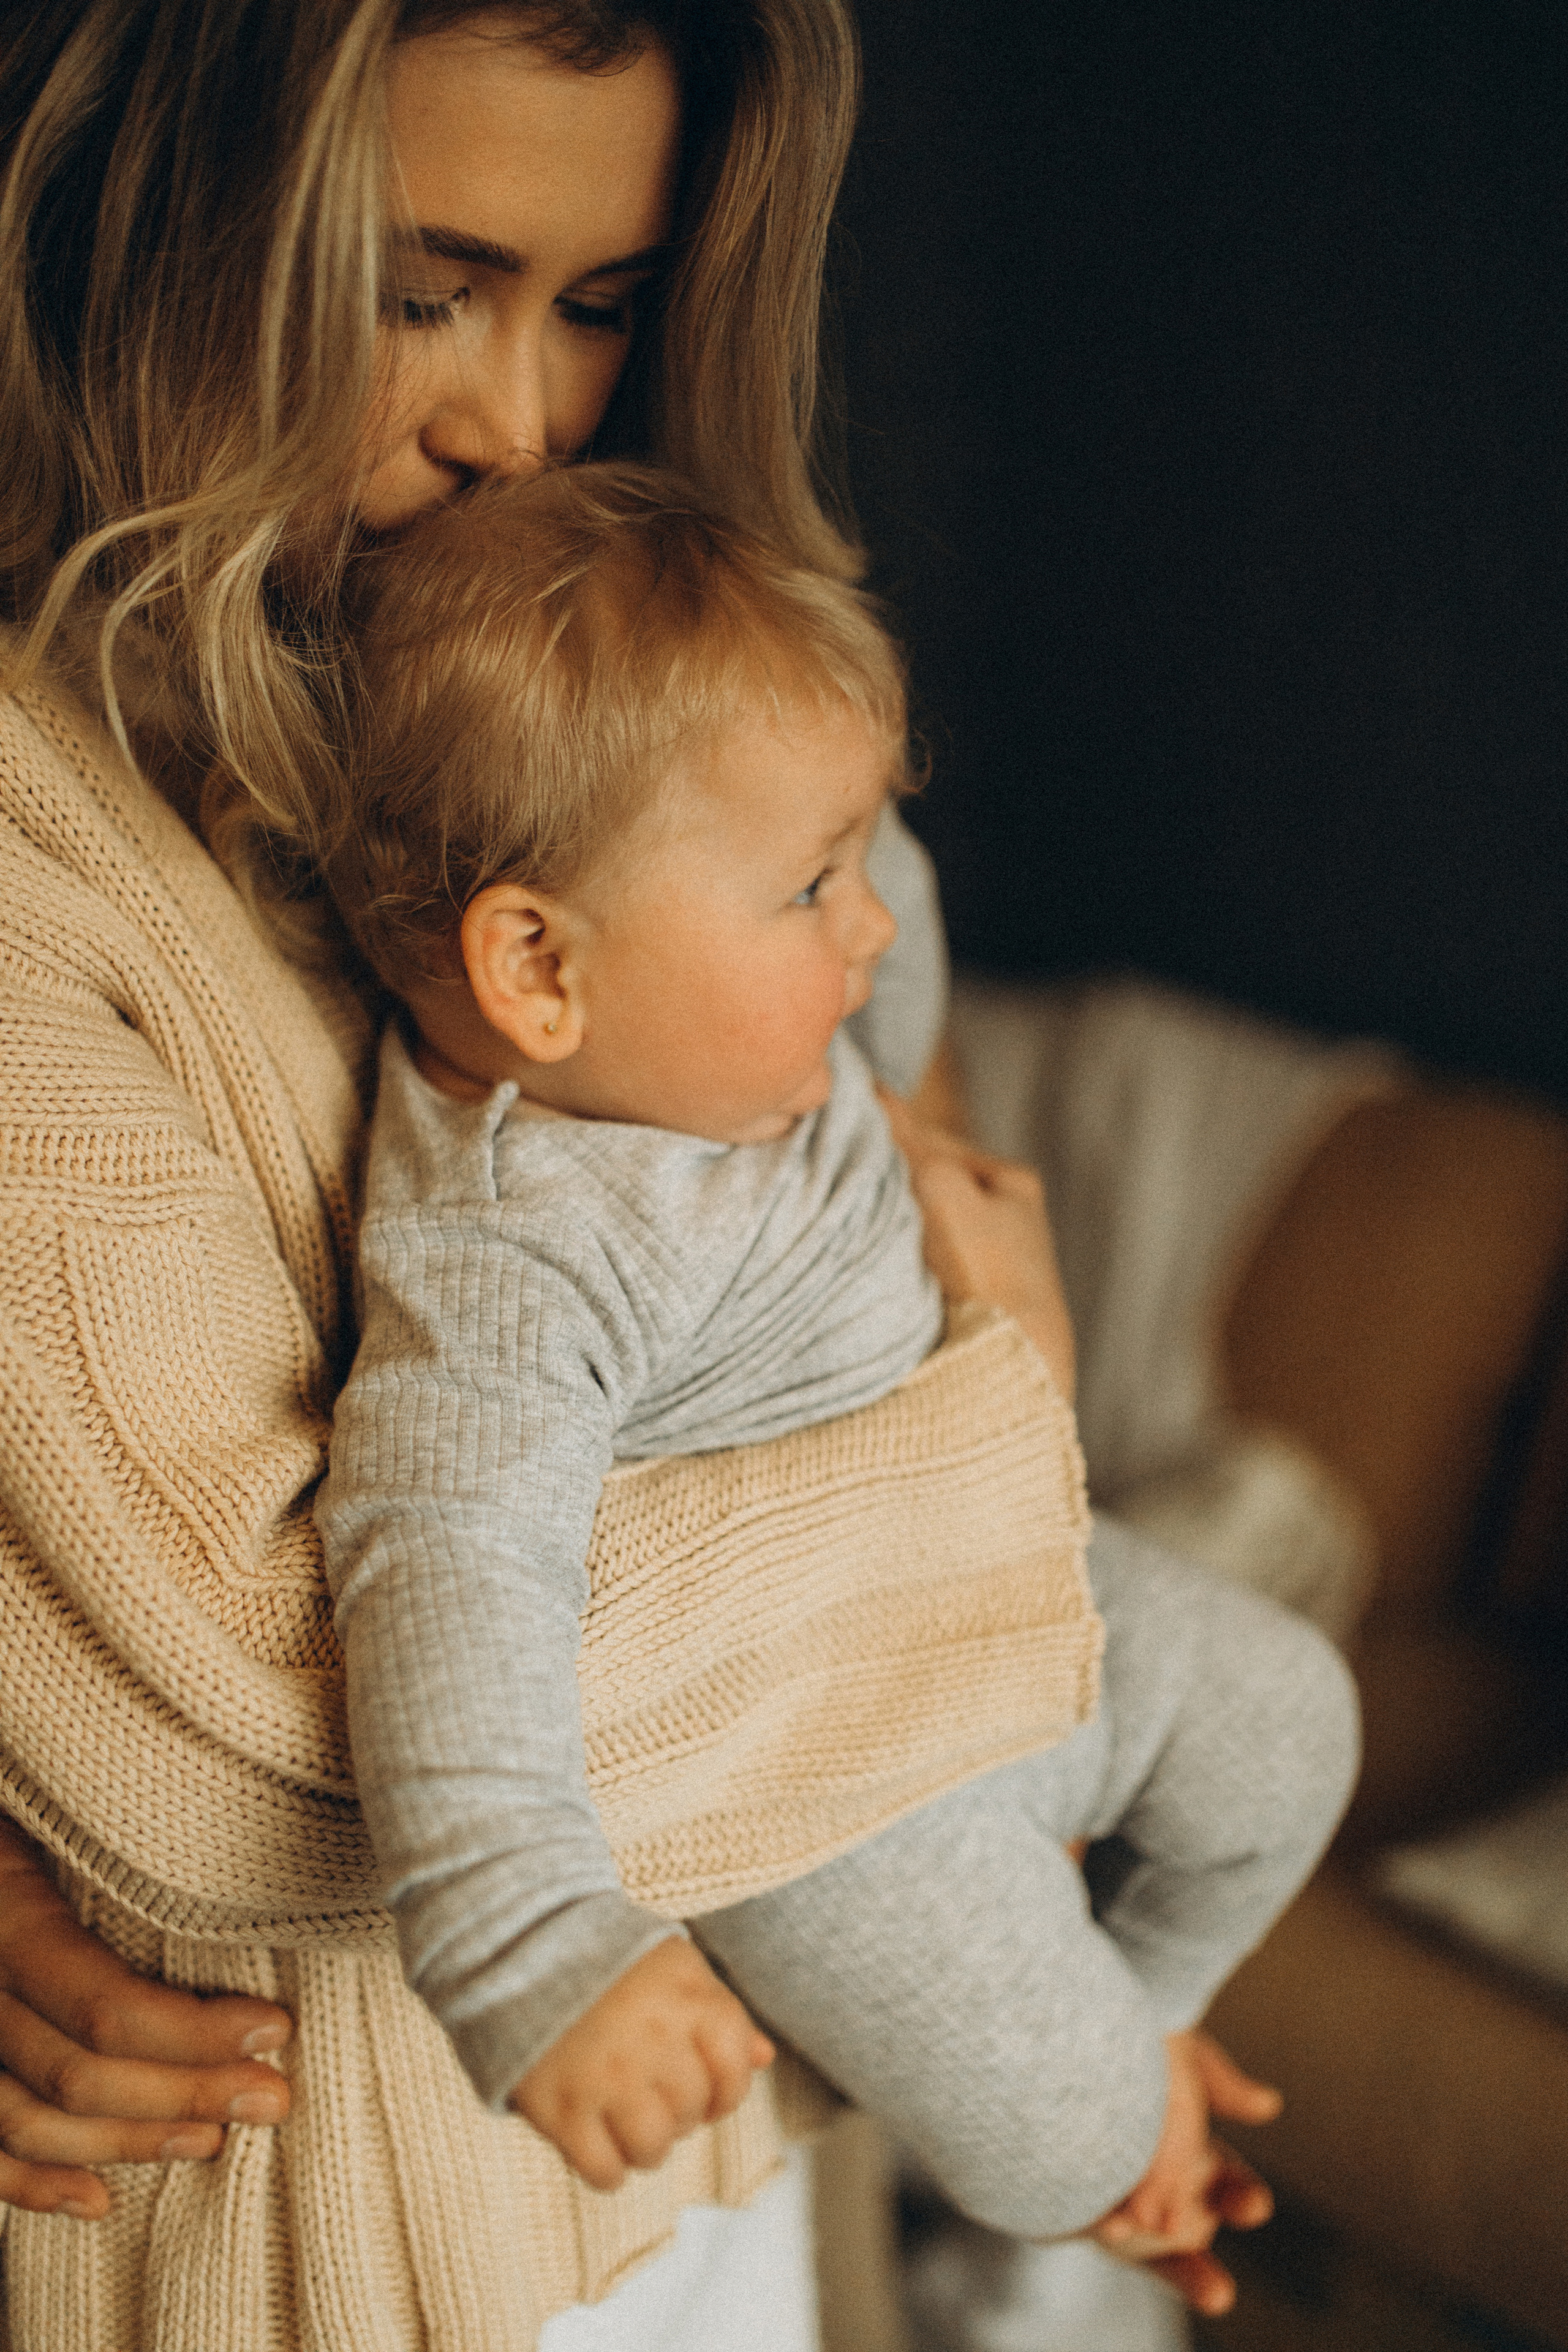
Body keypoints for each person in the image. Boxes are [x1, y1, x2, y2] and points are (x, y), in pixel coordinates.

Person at [0, 1, 1367, 2342]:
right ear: (191, 216)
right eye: (419, 289)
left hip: (757, 2127)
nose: (513, 419)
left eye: (600, 307)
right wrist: (976, 1463)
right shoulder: (48, 866)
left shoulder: (604, 662)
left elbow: (878, 1065)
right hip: (379, 2192)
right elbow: (250, 1734)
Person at [312, 462, 1357, 2251]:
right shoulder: (519, 1250)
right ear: (538, 969)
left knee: (1291, 1728)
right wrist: (533, 1947)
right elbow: (443, 1573)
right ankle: (1123, 2102)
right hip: (824, 1783)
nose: (868, 928)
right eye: (812, 889)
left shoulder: (711, 1036)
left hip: (991, 1586)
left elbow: (883, 929)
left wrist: (835, 834)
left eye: (859, 859)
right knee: (1067, 2144)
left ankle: (1149, 2011)